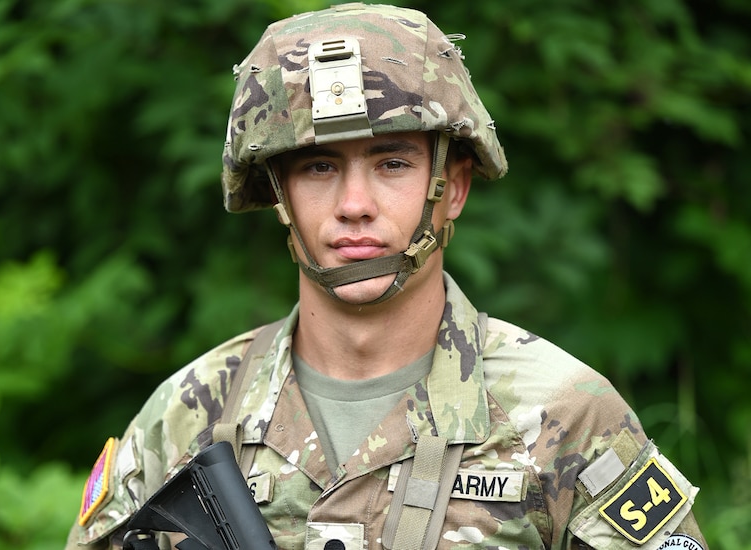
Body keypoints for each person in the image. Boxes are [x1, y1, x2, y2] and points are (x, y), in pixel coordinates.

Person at [65, 4, 708, 549]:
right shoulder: (188, 416)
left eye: (392, 163)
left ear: (450, 188)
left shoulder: (566, 416)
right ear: (279, 194)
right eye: (318, 167)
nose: (354, 204)